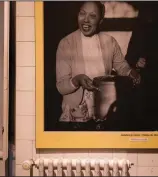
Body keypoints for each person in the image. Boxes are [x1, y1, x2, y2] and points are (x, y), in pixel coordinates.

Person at [56, 1, 141, 130]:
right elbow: (61, 87)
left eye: (93, 16)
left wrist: (131, 72)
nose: (86, 20)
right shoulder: (66, 44)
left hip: (103, 111)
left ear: (101, 20)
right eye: (82, 14)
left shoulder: (110, 42)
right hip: (76, 117)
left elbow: (121, 66)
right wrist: (77, 80)